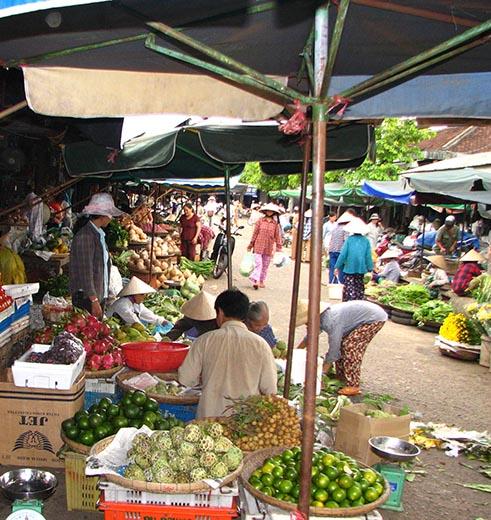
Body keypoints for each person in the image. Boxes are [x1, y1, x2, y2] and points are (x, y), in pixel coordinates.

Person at [178, 289, 277, 418]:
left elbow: (186, 379)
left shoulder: (204, 340)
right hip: (244, 423)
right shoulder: (261, 345)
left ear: (220, 312)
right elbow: (270, 389)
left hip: (209, 421)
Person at [296, 299, 387, 396]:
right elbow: (311, 336)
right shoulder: (321, 318)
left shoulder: (331, 321)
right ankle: (342, 377)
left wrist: (323, 370)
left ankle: (353, 385)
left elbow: (334, 349)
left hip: (374, 318)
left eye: (306, 322)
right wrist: (296, 351)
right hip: (361, 317)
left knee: (350, 346)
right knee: (343, 345)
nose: (306, 325)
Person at [69, 193, 123, 317]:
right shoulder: (85, 237)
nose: (111, 218)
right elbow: (85, 271)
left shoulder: (98, 234)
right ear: (103, 216)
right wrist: (93, 300)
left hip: (97, 295)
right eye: (110, 215)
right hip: (86, 297)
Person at [335, 218, 373, 301]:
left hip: (349, 268)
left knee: (349, 287)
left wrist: (337, 266)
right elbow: (368, 256)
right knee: (358, 287)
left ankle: (350, 302)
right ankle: (358, 302)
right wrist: (370, 268)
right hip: (361, 268)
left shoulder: (349, 240)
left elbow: (343, 254)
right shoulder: (366, 241)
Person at [247, 203, 283, 290]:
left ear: (274, 213)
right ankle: (255, 280)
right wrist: (251, 244)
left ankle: (261, 280)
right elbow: (255, 233)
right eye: (268, 210)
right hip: (258, 245)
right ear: (265, 211)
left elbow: (278, 236)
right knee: (258, 263)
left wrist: (279, 247)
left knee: (265, 265)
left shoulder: (275, 224)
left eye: (271, 211)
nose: (269, 212)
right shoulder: (260, 221)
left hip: (268, 247)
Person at [328, 211, 353, 283]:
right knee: (340, 268)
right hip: (340, 251)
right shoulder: (346, 228)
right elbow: (346, 241)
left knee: (333, 268)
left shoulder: (336, 227)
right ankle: (340, 284)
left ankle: (332, 282)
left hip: (332, 250)